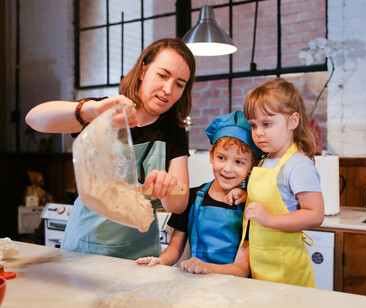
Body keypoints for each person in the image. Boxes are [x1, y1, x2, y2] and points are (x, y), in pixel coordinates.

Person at [25, 38, 196, 260]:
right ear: (143, 70)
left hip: (141, 256)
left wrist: (167, 186)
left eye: (179, 84)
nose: (168, 89)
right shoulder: (104, 112)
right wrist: (91, 110)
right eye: (162, 75)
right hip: (84, 250)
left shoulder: (173, 131)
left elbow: (179, 205)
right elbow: (34, 119)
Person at [179, 78, 324, 289]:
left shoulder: (298, 164)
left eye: (267, 124)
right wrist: (245, 195)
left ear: (293, 121)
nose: (258, 133)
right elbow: (275, 197)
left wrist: (270, 219)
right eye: (254, 125)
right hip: (260, 265)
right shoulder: (265, 160)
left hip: (285, 268)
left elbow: (315, 214)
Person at [136, 111, 264, 267]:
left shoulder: (251, 206)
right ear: (211, 156)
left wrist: (207, 268)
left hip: (233, 286)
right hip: (196, 282)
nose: (228, 169)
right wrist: (160, 261)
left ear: (252, 166)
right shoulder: (191, 197)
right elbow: (175, 248)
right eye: (221, 158)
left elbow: (241, 269)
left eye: (239, 162)